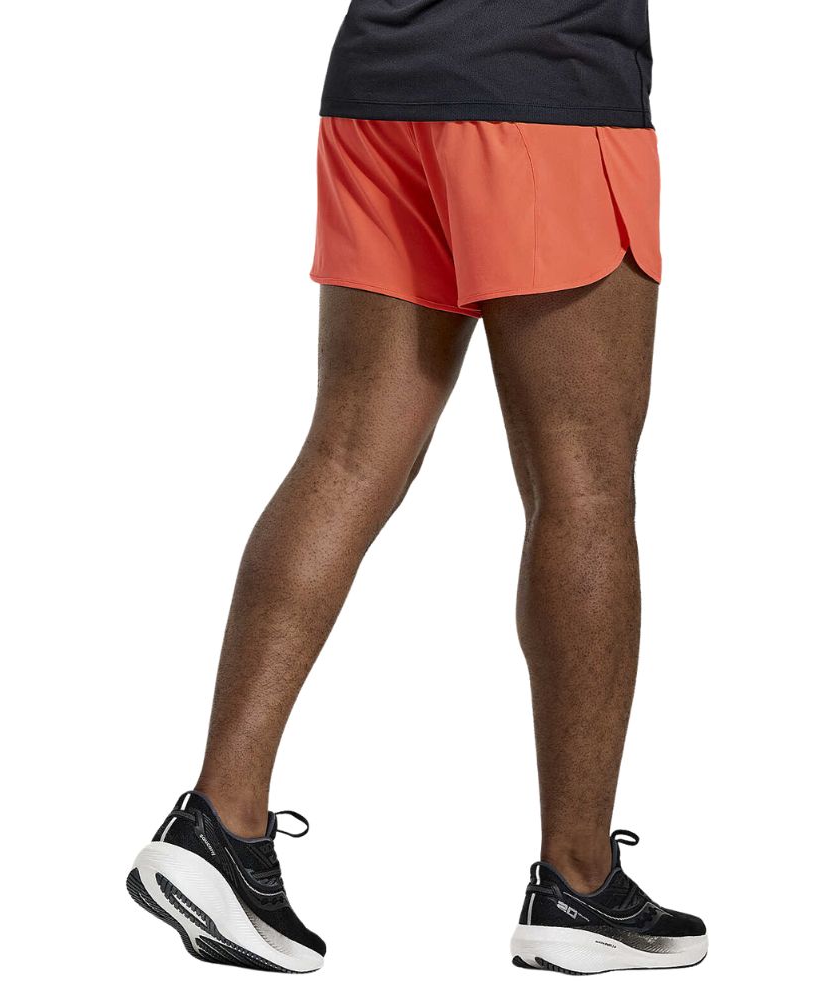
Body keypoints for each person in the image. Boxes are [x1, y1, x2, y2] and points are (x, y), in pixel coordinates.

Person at [127, 1, 707, 975]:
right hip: (548, 91)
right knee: (586, 488)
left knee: (348, 454)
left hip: (381, 89)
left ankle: (218, 821)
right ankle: (579, 881)